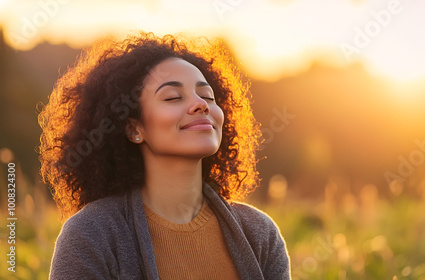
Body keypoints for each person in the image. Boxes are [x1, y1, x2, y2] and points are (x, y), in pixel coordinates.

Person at [38, 31, 290, 279]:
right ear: (134, 128)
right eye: (173, 97)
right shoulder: (91, 234)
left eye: (207, 96)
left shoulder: (259, 233)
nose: (201, 104)